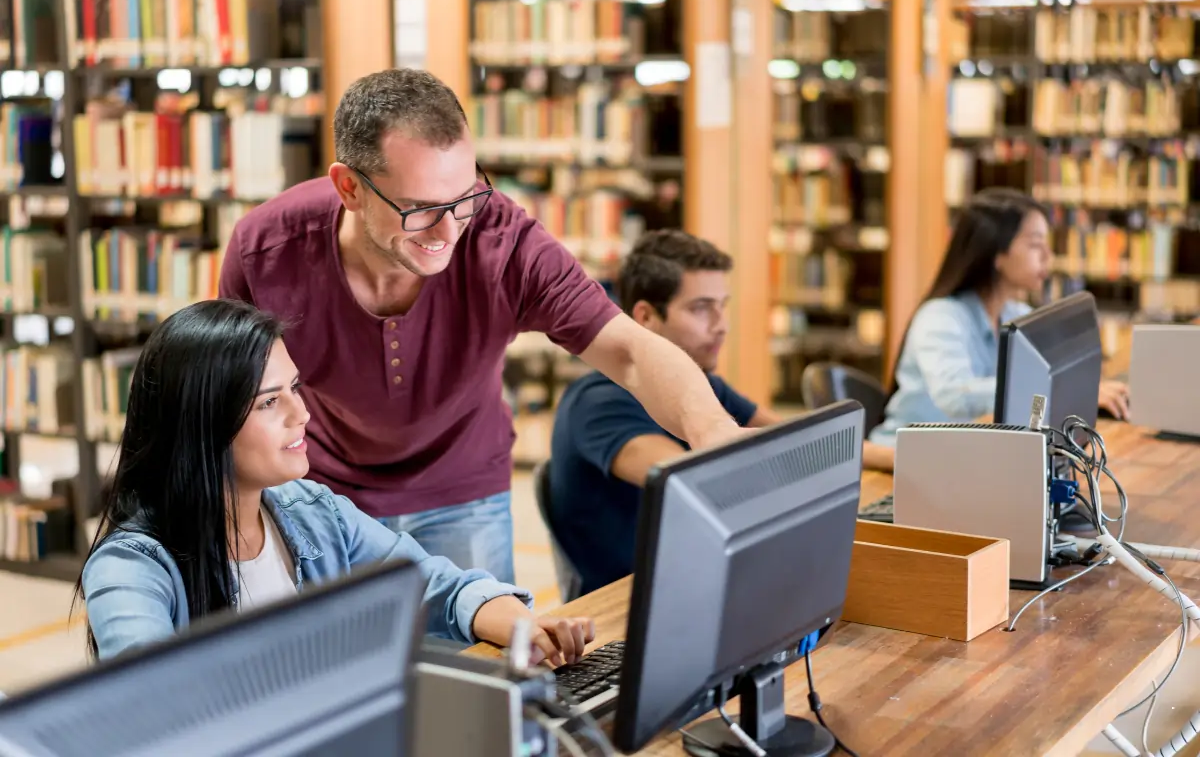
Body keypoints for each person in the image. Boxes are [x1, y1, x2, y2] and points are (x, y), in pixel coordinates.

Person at [218, 68, 746, 584]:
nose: (449, 231)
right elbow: (231, 400)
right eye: (420, 208)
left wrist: (713, 432)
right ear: (350, 187)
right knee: (347, 670)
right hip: (325, 495)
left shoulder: (504, 240)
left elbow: (630, 350)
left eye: (465, 197)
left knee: (481, 665)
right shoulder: (265, 249)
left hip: (465, 494)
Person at [76, 299, 594, 665]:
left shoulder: (312, 511)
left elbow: (433, 585)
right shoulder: (131, 568)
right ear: (202, 422)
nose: (302, 414)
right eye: (269, 402)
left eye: (296, 388)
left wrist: (519, 624)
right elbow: (143, 703)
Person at [548, 231, 896, 596]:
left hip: (710, 575)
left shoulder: (701, 386)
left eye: (722, 305)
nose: (721, 324)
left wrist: (902, 459)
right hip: (633, 602)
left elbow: (792, 432)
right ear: (647, 316)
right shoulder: (599, 402)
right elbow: (697, 484)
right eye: (701, 308)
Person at [869, 188, 1130, 446]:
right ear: (996, 252)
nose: (1047, 257)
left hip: (965, 453)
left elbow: (1056, 371)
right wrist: (1055, 392)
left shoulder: (1017, 314)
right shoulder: (940, 318)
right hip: (903, 458)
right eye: (1035, 245)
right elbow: (955, 396)